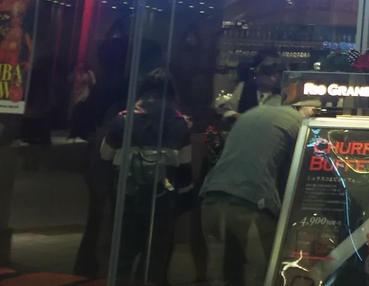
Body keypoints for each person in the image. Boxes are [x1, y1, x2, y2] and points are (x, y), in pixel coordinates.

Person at [200, 64, 308, 286]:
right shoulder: (298, 122)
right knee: (267, 274)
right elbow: (299, 171)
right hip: (251, 205)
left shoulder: (251, 113)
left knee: (222, 277)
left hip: (211, 199)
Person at [100, 68, 193, 284]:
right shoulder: (179, 123)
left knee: (122, 258)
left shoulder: (122, 120)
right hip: (161, 204)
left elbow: (105, 154)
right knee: (154, 262)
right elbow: (185, 165)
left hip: (126, 200)